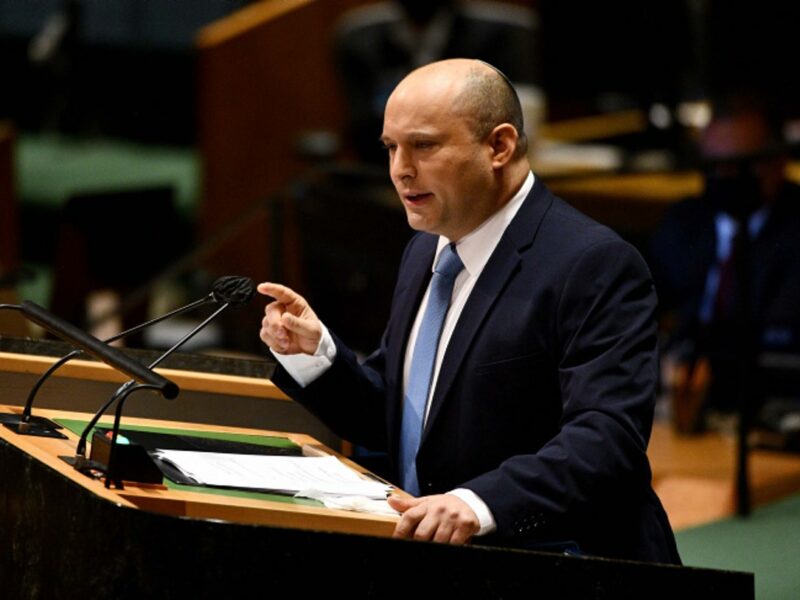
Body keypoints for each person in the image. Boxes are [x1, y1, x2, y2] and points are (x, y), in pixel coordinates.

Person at [259, 59, 679, 563]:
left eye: (425, 145)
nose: (400, 169)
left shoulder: (593, 264)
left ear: (498, 146)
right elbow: (408, 423)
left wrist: (477, 504)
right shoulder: (426, 249)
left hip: (561, 558)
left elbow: (607, 440)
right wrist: (318, 355)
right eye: (391, 148)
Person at [650, 100, 800, 432]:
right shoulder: (684, 224)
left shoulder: (793, 232)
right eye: (712, 166)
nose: (723, 177)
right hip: (674, 415)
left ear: (778, 161)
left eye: (736, 166)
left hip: (764, 419)